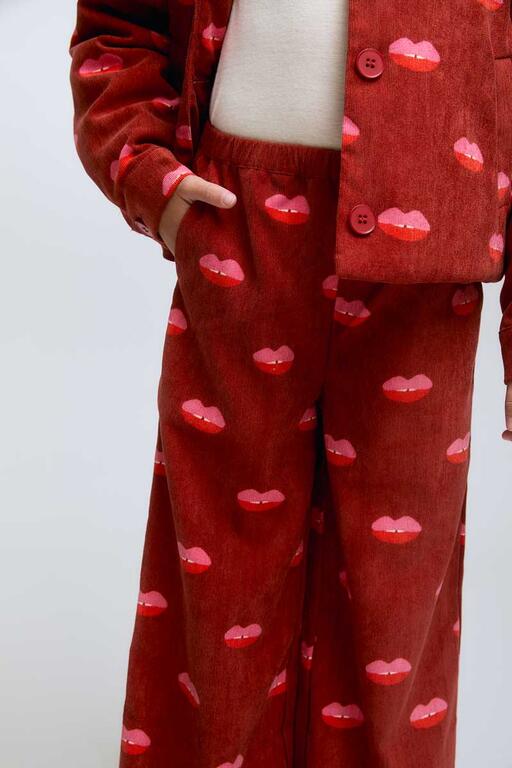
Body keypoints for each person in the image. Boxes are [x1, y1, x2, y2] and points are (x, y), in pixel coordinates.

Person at [69, 1, 512, 766]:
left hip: (427, 258)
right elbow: (117, 23)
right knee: (221, 577)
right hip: (238, 225)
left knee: (394, 602)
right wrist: (148, 175)